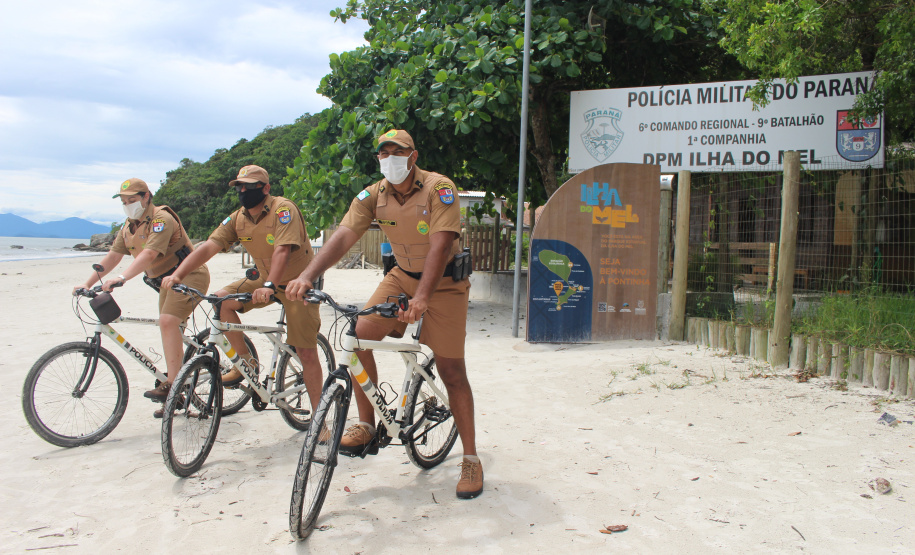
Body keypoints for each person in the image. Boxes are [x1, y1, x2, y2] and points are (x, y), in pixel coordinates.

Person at [286, 129, 483, 499]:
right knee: (358, 337)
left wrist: (422, 298)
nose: (390, 157)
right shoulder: (372, 195)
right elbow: (344, 235)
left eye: (398, 151)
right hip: (400, 277)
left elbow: (441, 245)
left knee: (452, 371)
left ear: (413, 156)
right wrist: (307, 275)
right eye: (383, 152)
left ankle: (471, 458)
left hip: (444, 283)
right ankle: (366, 425)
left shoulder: (439, 188)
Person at [161, 165, 323, 416]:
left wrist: (269, 286)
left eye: (249, 186)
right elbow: (209, 246)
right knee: (221, 300)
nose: (243, 191)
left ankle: (319, 420)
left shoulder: (283, 209)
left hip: (298, 284)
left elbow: (282, 251)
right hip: (265, 280)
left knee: (306, 352)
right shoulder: (238, 218)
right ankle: (246, 363)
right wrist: (178, 274)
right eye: (240, 187)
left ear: (265, 188)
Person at [75, 178, 210, 418]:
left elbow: (149, 254)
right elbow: (113, 255)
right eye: (124, 201)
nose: (128, 205)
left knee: (167, 322)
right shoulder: (128, 227)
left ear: (146, 196)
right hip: (165, 282)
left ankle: (173, 386)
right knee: (169, 328)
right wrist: (87, 283)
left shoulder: (161, 219)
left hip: (189, 275)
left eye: (132, 200)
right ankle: (177, 394)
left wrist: (122, 278)